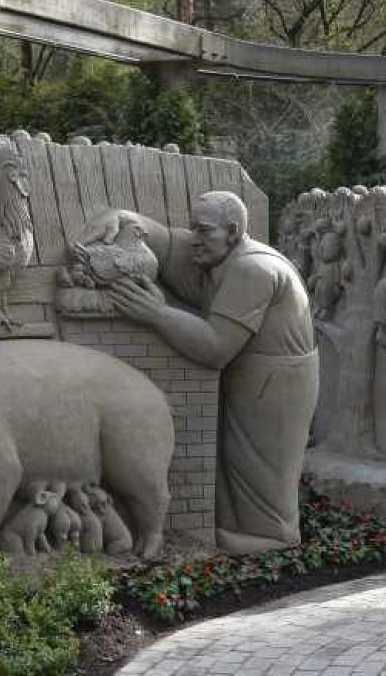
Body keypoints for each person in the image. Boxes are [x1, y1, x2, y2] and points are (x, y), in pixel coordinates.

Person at [80, 191, 318, 554]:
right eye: (193, 228)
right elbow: (169, 243)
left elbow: (215, 348)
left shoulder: (253, 270)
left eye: (204, 231)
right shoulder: (217, 257)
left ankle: (272, 537)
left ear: (234, 232)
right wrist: (128, 219)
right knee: (238, 466)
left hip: (276, 385)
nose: (194, 239)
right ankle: (242, 531)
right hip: (254, 377)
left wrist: (156, 314)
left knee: (262, 470)